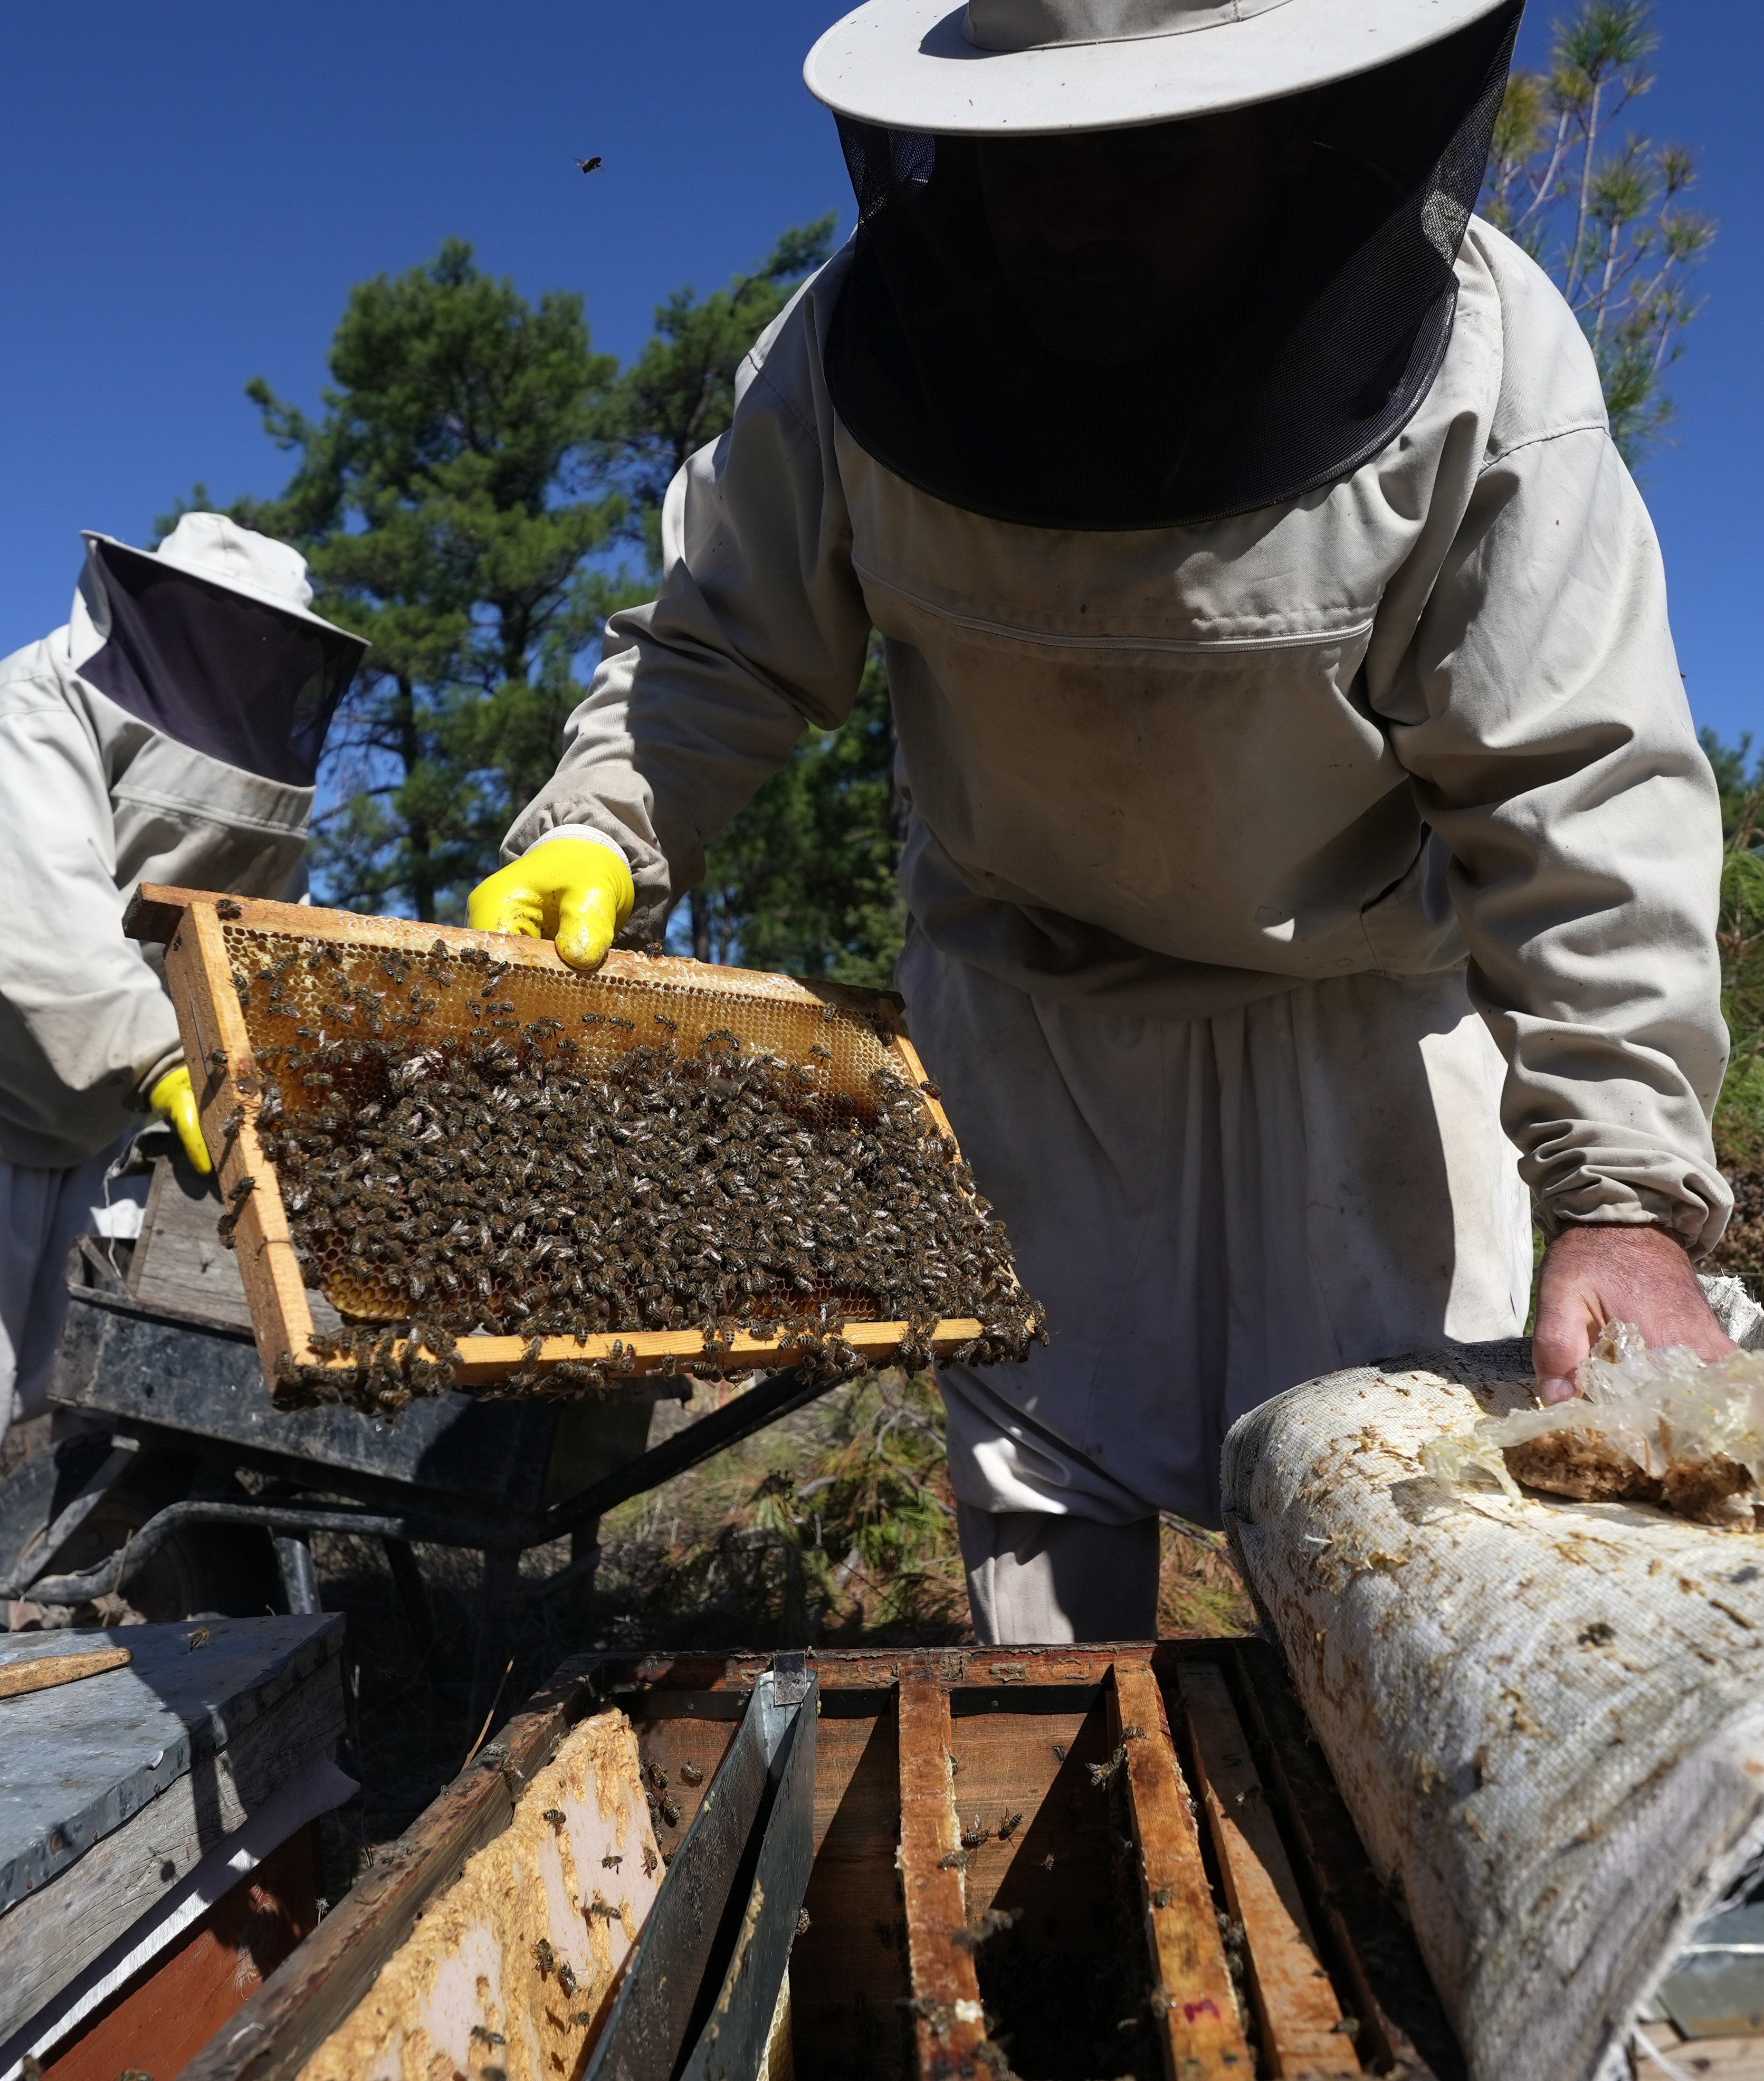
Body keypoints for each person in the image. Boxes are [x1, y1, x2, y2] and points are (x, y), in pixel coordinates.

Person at [468, 0, 1736, 1643]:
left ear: (1289, 128)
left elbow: (1574, 779)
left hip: (1354, 1008)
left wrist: (1624, 1191)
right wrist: (603, 821)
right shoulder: (847, 351)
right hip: (1029, 1006)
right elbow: (722, 637)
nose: (1076, 213)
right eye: (1036, 160)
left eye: (1149, 156)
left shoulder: (1487, 356)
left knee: (1423, 1518)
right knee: (1047, 1518)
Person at [0, 514, 367, 1638]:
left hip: (92, 1086)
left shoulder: (251, 775)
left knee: (107, 1365)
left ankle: (49, 1596)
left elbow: (244, 945)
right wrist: (169, 1060)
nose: (239, 681)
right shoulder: (29, 714)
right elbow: (57, 946)